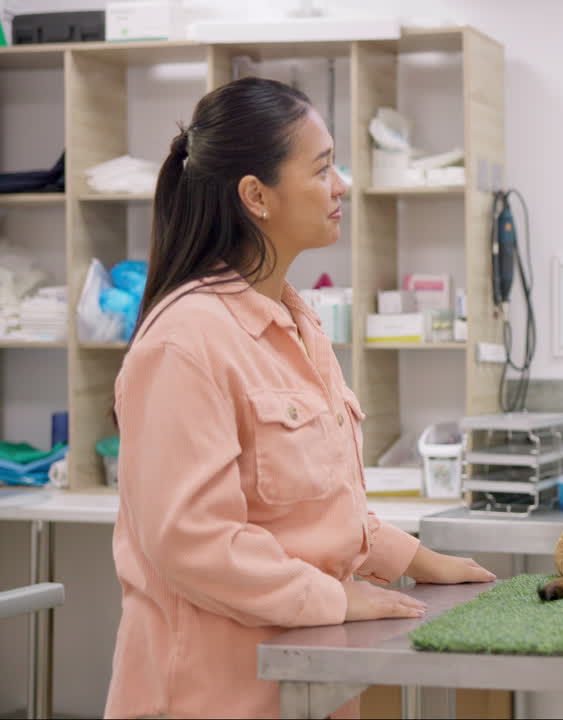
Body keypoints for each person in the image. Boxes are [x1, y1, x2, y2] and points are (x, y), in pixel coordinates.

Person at [105, 77, 495, 719]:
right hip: (212, 695)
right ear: (256, 196)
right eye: (321, 168)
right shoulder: (184, 341)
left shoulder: (296, 321)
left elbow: (317, 509)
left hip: (309, 679)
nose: (340, 185)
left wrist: (418, 559)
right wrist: (335, 599)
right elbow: (193, 544)